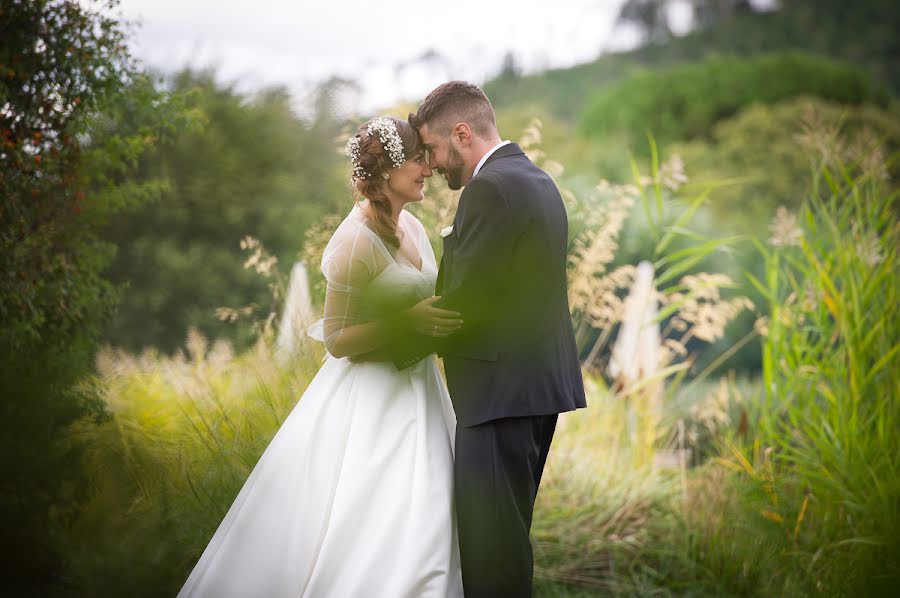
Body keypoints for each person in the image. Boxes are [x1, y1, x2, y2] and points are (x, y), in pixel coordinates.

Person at [177, 116, 464, 598]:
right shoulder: (355, 242)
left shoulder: (411, 225)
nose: (427, 169)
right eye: (417, 160)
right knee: (378, 518)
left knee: (431, 516)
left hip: (423, 393)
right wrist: (407, 323)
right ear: (389, 169)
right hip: (375, 405)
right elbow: (337, 339)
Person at [390, 81, 587, 597]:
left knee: (491, 557)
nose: (431, 165)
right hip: (527, 392)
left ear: (462, 133)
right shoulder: (534, 178)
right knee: (504, 543)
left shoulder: (491, 187)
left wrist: (388, 343)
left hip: (499, 396)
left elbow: (466, 301)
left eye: (432, 149)